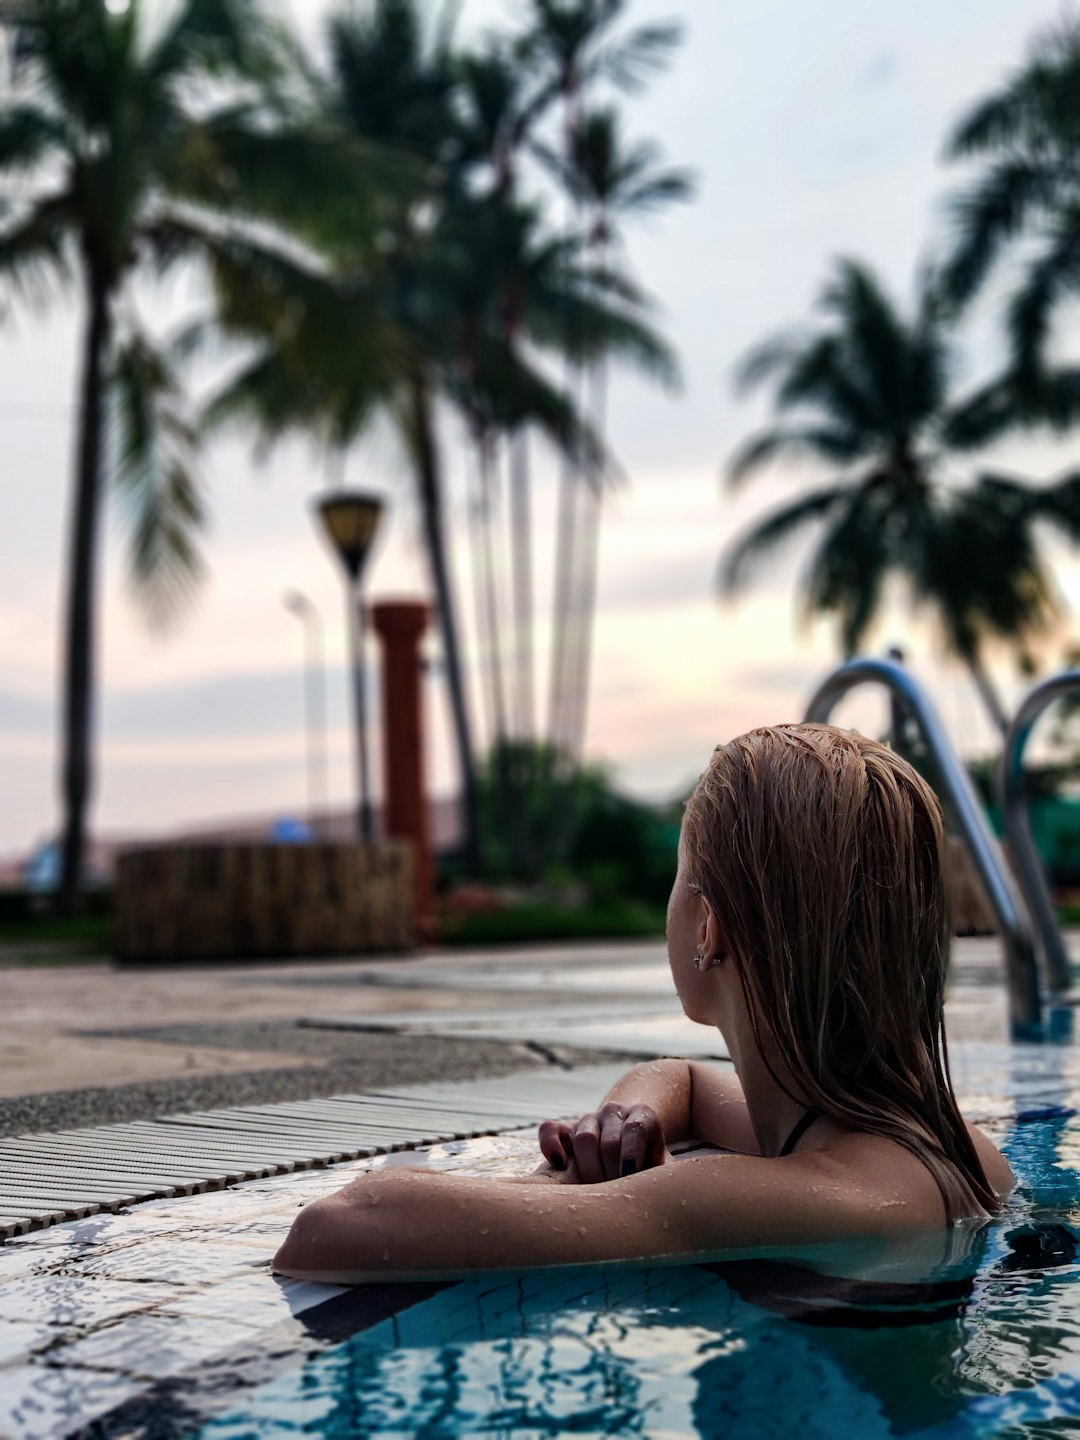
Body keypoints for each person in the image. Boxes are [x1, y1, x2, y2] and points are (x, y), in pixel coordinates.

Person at [273, 724, 1013, 1284]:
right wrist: (629, 1116)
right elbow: (683, 1079)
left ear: (707, 928)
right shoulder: (948, 1148)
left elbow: (338, 1230)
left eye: (679, 874)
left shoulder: (751, 1198)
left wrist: (545, 1187)